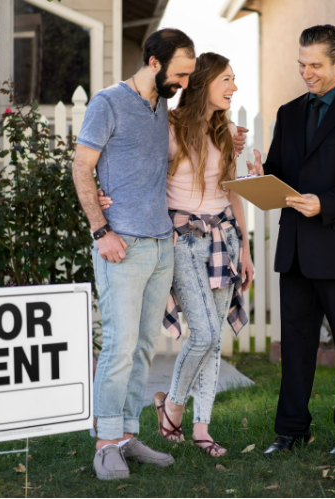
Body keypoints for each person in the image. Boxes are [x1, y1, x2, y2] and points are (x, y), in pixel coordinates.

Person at [73, 28, 242, 481]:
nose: (185, 83)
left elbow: (193, 136)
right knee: (119, 347)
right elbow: (81, 166)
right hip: (120, 246)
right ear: (154, 62)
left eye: (190, 75)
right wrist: (100, 228)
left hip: (160, 243)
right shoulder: (107, 103)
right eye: (181, 74)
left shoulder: (162, 106)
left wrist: (233, 141)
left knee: (145, 347)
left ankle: (128, 435)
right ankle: (105, 443)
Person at [247, 25, 335, 457]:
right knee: (295, 345)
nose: (306, 73)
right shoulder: (289, 113)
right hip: (295, 251)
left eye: (316, 65)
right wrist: (261, 175)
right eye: (301, 65)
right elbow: (280, 171)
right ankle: (290, 430)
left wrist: (324, 203)